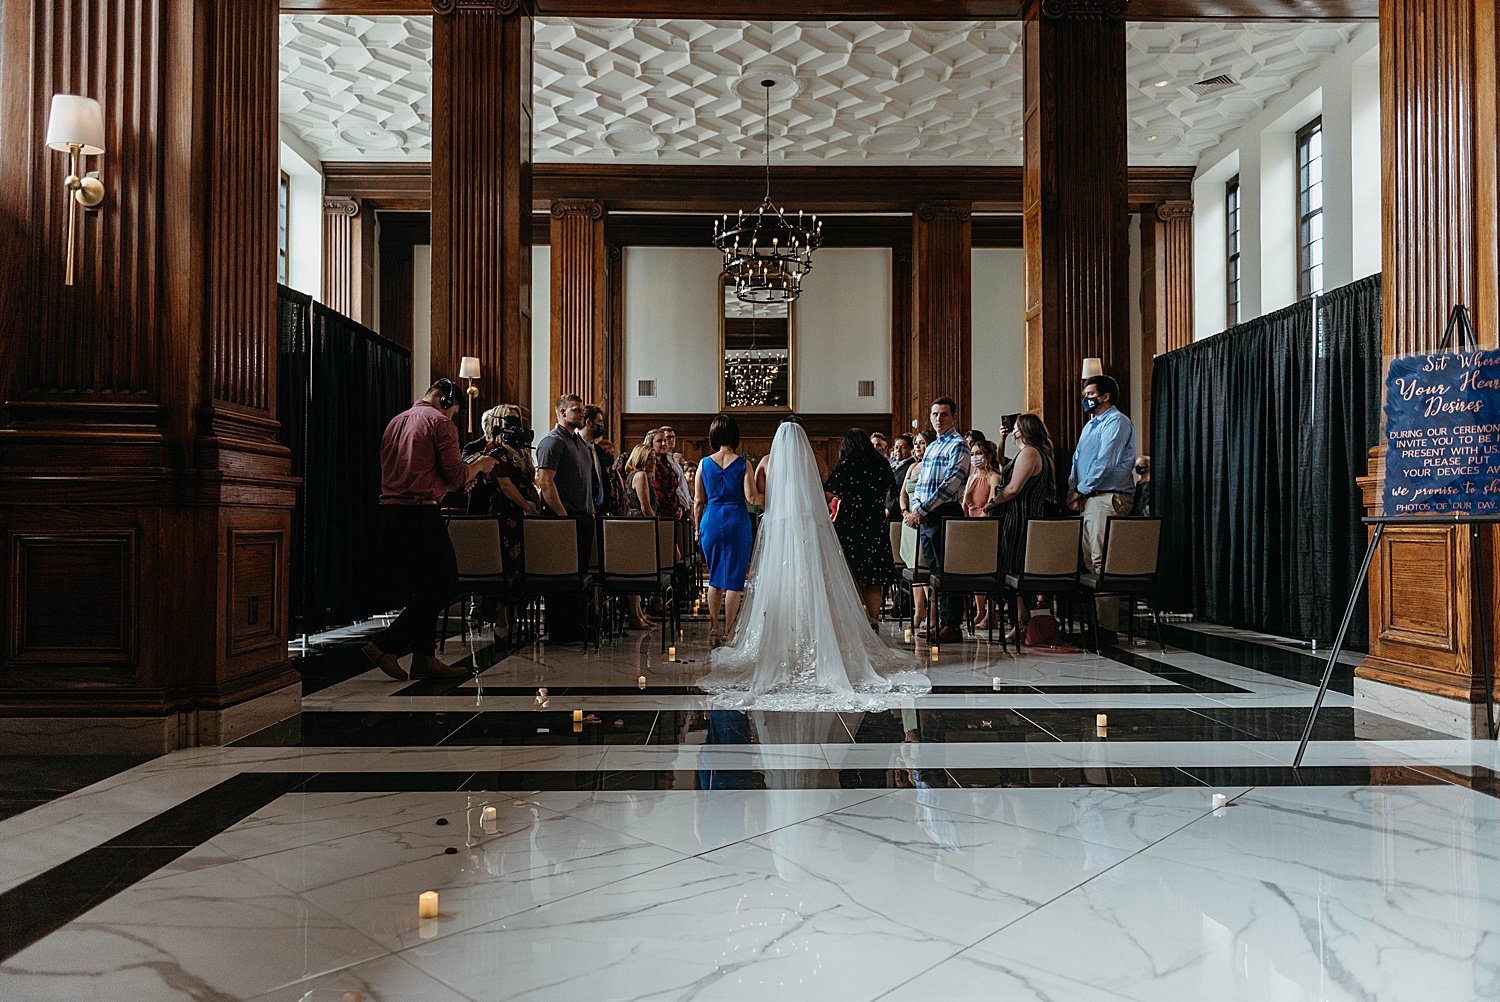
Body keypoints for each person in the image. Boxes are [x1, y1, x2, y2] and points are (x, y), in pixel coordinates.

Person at [700, 420, 930, 710]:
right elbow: (826, 491)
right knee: (813, 580)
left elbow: (759, 498)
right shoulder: (816, 459)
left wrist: (778, 503)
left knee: (782, 581)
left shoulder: (767, 462)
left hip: (780, 527)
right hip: (810, 527)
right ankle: (827, 636)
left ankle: (777, 637)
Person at [362, 379, 497, 681]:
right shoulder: (439, 422)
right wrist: (481, 465)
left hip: (391, 512)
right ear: (445, 402)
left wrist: (457, 481)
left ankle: (424, 658)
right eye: (453, 412)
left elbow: (427, 473)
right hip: (419, 514)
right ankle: (384, 645)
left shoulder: (396, 421)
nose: (452, 418)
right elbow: (457, 472)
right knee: (444, 586)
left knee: (424, 587)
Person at [1067, 374, 1137, 637]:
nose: (1086, 399)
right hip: (1089, 497)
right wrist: (1073, 488)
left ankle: (1106, 627)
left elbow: (1105, 461)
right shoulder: (1090, 425)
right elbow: (1078, 459)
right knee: (1089, 559)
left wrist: (1080, 491)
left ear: (1105, 396)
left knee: (1101, 560)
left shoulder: (1117, 422)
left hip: (1109, 495)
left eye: (1090, 394)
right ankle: (1095, 623)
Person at [903, 397, 969, 645]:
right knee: (934, 573)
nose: (938, 418)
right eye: (934, 414)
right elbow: (920, 484)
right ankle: (942, 622)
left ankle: (952, 625)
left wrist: (923, 509)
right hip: (927, 514)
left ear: (953, 417)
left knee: (947, 572)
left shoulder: (958, 444)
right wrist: (917, 507)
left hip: (945, 511)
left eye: (943, 414)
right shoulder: (931, 447)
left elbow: (952, 481)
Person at [987, 413, 1057, 639]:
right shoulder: (1036, 453)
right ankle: (1020, 622)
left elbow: (1013, 488)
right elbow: (1001, 462)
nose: (1013, 431)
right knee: (1015, 571)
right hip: (1025, 516)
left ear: (1025, 430)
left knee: (1014, 570)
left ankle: (1022, 623)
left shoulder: (1029, 452)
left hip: (1019, 518)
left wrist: (993, 502)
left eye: (1016, 428)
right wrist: (1003, 440)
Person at [535, 393, 597, 642]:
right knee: (562, 577)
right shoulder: (552, 442)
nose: (582, 414)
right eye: (577, 410)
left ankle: (577, 626)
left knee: (579, 574)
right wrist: (562, 517)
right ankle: (560, 631)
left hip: (582, 516)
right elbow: (545, 481)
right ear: (561, 413)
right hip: (564, 517)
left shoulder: (579, 443)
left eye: (582, 411)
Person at [825, 429, 897, 624]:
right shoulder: (882, 464)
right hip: (875, 525)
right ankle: (873, 621)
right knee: (874, 578)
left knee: (851, 576)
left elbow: (828, 494)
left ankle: (855, 623)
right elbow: (893, 491)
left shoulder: (847, 465)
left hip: (850, 526)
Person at [694, 414, 755, 642]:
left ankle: (713, 626)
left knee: (715, 577)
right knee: (734, 580)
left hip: (711, 519)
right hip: (737, 519)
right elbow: (750, 497)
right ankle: (729, 630)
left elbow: (698, 500)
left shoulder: (703, 463)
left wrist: (697, 527)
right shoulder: (743, 463)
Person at [962, 437, 1005, 630]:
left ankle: (990, 612)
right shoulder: (971, 476)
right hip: (970, 526)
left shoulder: (993, 477)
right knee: (974, 573)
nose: (975, 458)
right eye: (972, 454)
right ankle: (979, 610)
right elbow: (965, 504)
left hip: (986, 527)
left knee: (988, 571)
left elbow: (991, 503)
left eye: (978, 454)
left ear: (987, 456)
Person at [898, 431, 934, 632]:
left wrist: (916, 514)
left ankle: (933, 613)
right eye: (916, 443)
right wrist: (904, 511)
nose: (918, 446)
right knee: (913, 568)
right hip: (908, 520)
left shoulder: (932, 466)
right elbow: (903, 493)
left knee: (924, 568)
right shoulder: (912, 466)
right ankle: (919, 610)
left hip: (922, 517)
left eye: (922, 443)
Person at [887, 434, 915, 520]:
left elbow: (901, 491)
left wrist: (890, 508)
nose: (898, 450)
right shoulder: (893, 465)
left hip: (897, 512)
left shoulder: (910, 466)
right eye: (896, 447)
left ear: (911, 449)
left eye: (903, 447)